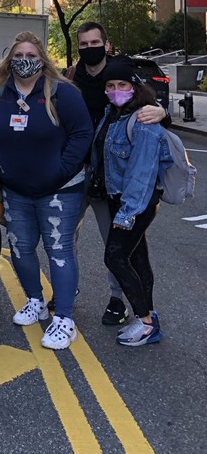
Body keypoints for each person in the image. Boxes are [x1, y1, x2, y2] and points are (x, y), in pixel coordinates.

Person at [0, 32, 93, 350]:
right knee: (21, 249)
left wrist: (60, 171)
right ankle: (35, 300)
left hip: (60, 190)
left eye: (30, 54)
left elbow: (82, 134)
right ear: (8, 60)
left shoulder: (62, 93)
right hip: (16, 190)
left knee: (59, 252)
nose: (24, 60)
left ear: (42, 58)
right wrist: (0, 166)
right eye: (18, 55)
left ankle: (65, 319)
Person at [67, 21, 166, 326]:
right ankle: (65, 289)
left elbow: (147, 105)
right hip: (78, 169)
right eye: (83, 44)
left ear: (106, 45)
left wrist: (162, 111)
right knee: (64, 236)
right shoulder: (71, 76)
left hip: (112, 178)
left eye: (94, 42)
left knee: (117, 244)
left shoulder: (120, 72)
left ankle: (117, 300)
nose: (89, 48)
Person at [97, 57, 172, 347]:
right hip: (120, 199)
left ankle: (145, 321)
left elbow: (141, 174)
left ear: (134, 86)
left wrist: (127, 213)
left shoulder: (142, 122)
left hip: (135, 204)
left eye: (122, 85)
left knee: (114, 256)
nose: (116, 90)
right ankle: (148, 316)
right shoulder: (113, 114)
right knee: (137, 258)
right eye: (111, 85)